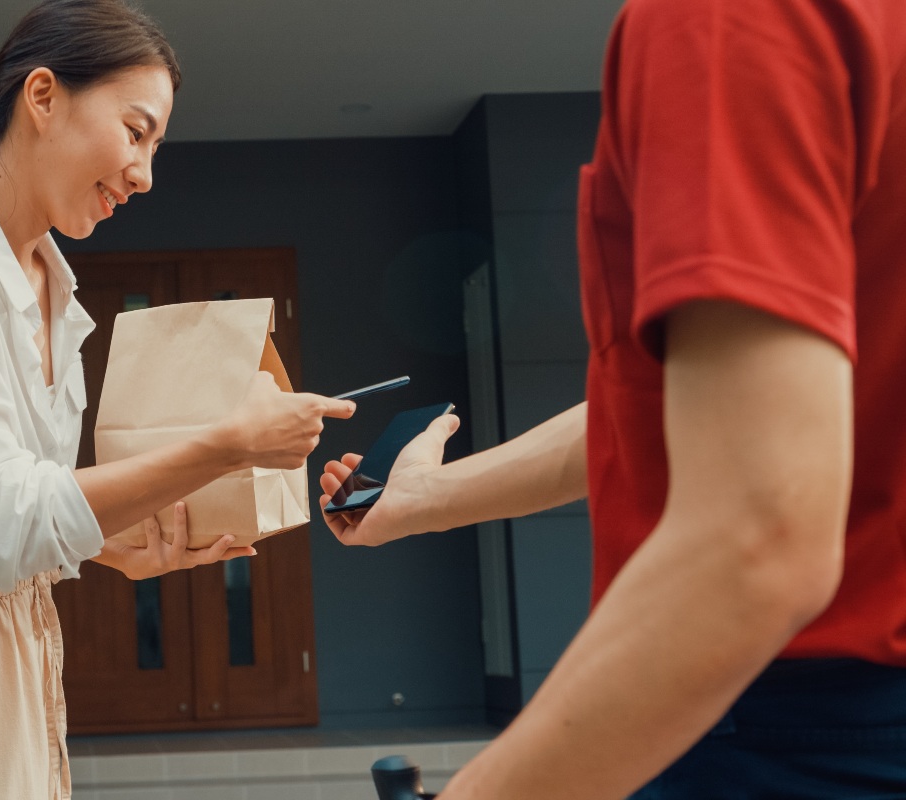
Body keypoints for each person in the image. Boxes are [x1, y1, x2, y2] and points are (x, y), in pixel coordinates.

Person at [320, 0, 906, 796]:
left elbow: (753, 545)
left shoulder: (730, 20)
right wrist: (425, 496)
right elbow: (719, 416)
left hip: (780, 724)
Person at [0, 1, 355, 798]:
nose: (144, 174)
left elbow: (7, 500)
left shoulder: (51, 285)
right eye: (136, 132)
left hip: (9, 645)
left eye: (154, 146)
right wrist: (223, 445)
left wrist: (109, 543)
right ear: (42, 97)